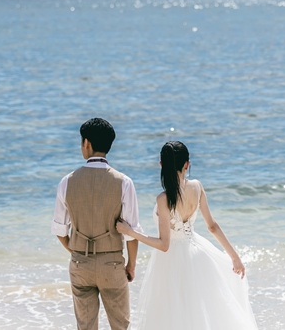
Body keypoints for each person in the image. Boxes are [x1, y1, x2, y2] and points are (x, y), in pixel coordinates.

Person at [117, 140, 259, 330]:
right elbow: (213, 226)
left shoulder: (164, 198)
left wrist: (131, 232)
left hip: (171, 261)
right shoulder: (197, 186)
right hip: (197, 253)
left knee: (174, 316)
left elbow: (164, 244)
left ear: (161, 165)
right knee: (201, 310)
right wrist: (235, 258)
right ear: (187, 164)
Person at [51, 118, 142, 330]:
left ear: (86, 143)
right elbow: (132, 233)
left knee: (86, 326)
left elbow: (59, 230)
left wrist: (76, 251)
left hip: (80, 262)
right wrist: (131, 265)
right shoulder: (124, 182)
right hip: (112, 263)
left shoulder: (67, 181)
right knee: (121, 326)